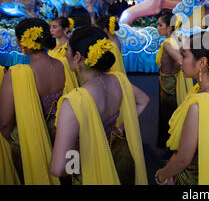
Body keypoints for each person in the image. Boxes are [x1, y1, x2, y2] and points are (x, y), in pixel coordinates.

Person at [49, 26, 149, 184]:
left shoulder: (75, 101)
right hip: (121, 158)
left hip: (93, 167)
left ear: (78, 56)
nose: (65, 54)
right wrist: (120, 128)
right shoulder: (118, 80)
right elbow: (144, 100)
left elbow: (59, 168)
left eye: (67, 50)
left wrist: (75, 169)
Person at [0, 18, 77, 184]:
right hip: (61, 136)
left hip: (30, 145)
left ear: (23, 43)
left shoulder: (16, 74)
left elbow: (5, 124)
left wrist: (15, 142)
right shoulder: (64, 65)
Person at [154, 32, 209, 185]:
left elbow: (183, 159)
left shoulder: (199, 105)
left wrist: (161, 175)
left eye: (184, 56)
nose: (180, 62)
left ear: (202, 63)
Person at [156, 11, 193, 149]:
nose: (158, 28)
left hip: (169, 85)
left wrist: (174, 71)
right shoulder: (178, 39)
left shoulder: (167, 44)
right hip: (172, 83)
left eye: (160, 25)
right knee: (173, 114)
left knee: (169, 116)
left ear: (169, 27)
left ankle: (172, 149)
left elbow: (180, 60)